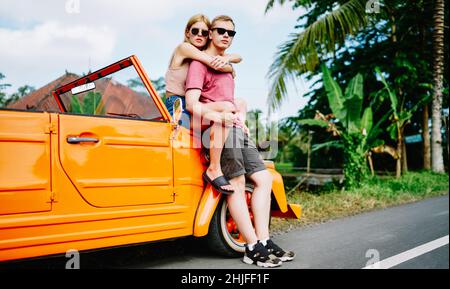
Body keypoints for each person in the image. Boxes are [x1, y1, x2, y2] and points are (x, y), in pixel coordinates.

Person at [185, 15, 295, 268]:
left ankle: (264, 241)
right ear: (210, 34)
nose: (226, 35)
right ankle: (251, 246)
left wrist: (239, 118)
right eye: (221, 31)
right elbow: (192, 104)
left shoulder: (225, 66)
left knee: (264, 178)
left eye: (231, 33)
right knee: (236, 182)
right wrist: (219, 114)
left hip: (236, 128)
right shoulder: (198, 65)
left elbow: (232, 93)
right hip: (218, 129)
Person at [165, 13, 245, 195]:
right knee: (224, 111)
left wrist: (230, 59)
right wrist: (230, 65)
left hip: (191, 103)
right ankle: (213, 164)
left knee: (236, 104)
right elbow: (215, 63)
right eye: (195, 31)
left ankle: (228, 134)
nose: (199, 35)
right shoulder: (184, 48)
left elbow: (237, 57)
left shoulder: (198, 57)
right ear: (187, 32)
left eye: (204, 31)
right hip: (177, 105)